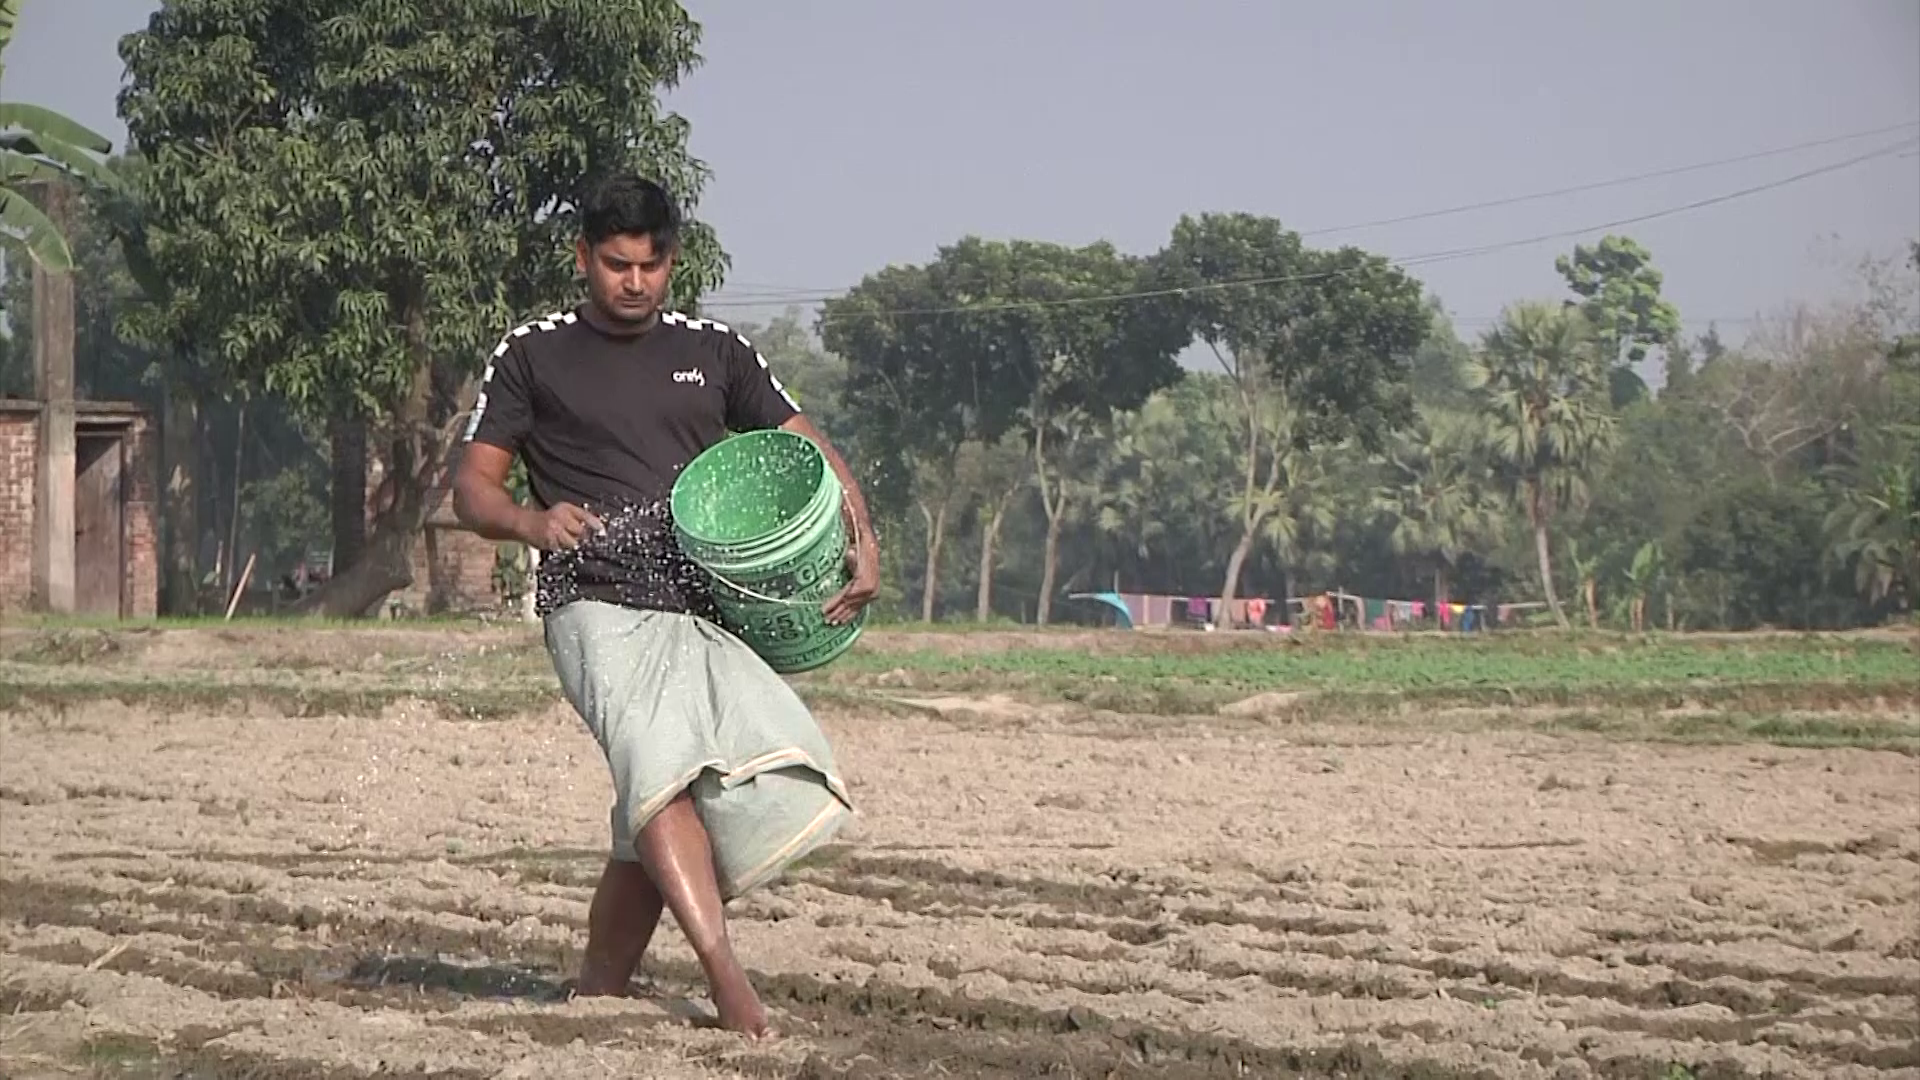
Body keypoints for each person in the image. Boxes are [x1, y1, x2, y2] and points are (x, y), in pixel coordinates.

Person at [451, 172, 880, 1038]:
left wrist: (861, 535)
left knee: (658, 808)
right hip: (592, 602)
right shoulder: (533, 354)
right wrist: (533, 520)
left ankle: (598, 992)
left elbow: (806, 446)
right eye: (616, 265)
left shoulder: (716, 352)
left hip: (696, 609)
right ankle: (729, 985)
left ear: (671, 263)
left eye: (650, 266)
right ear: (584, 259)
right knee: (663, 780)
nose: (634, 282)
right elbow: (471, 489)